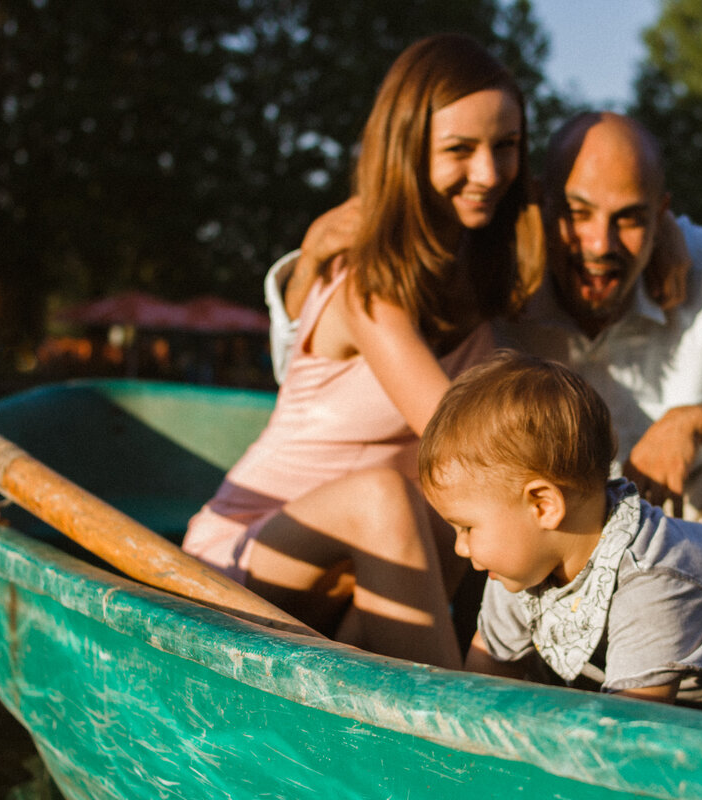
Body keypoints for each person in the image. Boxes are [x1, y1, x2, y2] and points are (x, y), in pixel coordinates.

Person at [276, 111, 702, 602]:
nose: (600, 245)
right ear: (540, 202)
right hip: (546, 551)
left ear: (662, 217)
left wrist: (698, 422)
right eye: (578, 214)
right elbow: (330, 374)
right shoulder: (493, 275)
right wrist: (307, 268)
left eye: (629, 219)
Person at [181, 33, 544, 669]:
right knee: (397, 491)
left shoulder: (483, 269)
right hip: (246, 554)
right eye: (460, 149)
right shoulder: (367, 280)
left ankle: (424, 696)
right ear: (408, 151)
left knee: (445, 510)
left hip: (356, 577)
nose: (488, 173)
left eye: (505, 146)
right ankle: (454, 731)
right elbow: (459, 436)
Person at [418, 351, 702, 734]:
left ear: (542, 505)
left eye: (467, 528)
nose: (461, 547)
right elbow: (481, 685)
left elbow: (627, 740)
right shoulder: (517, 566)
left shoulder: (655, 584)